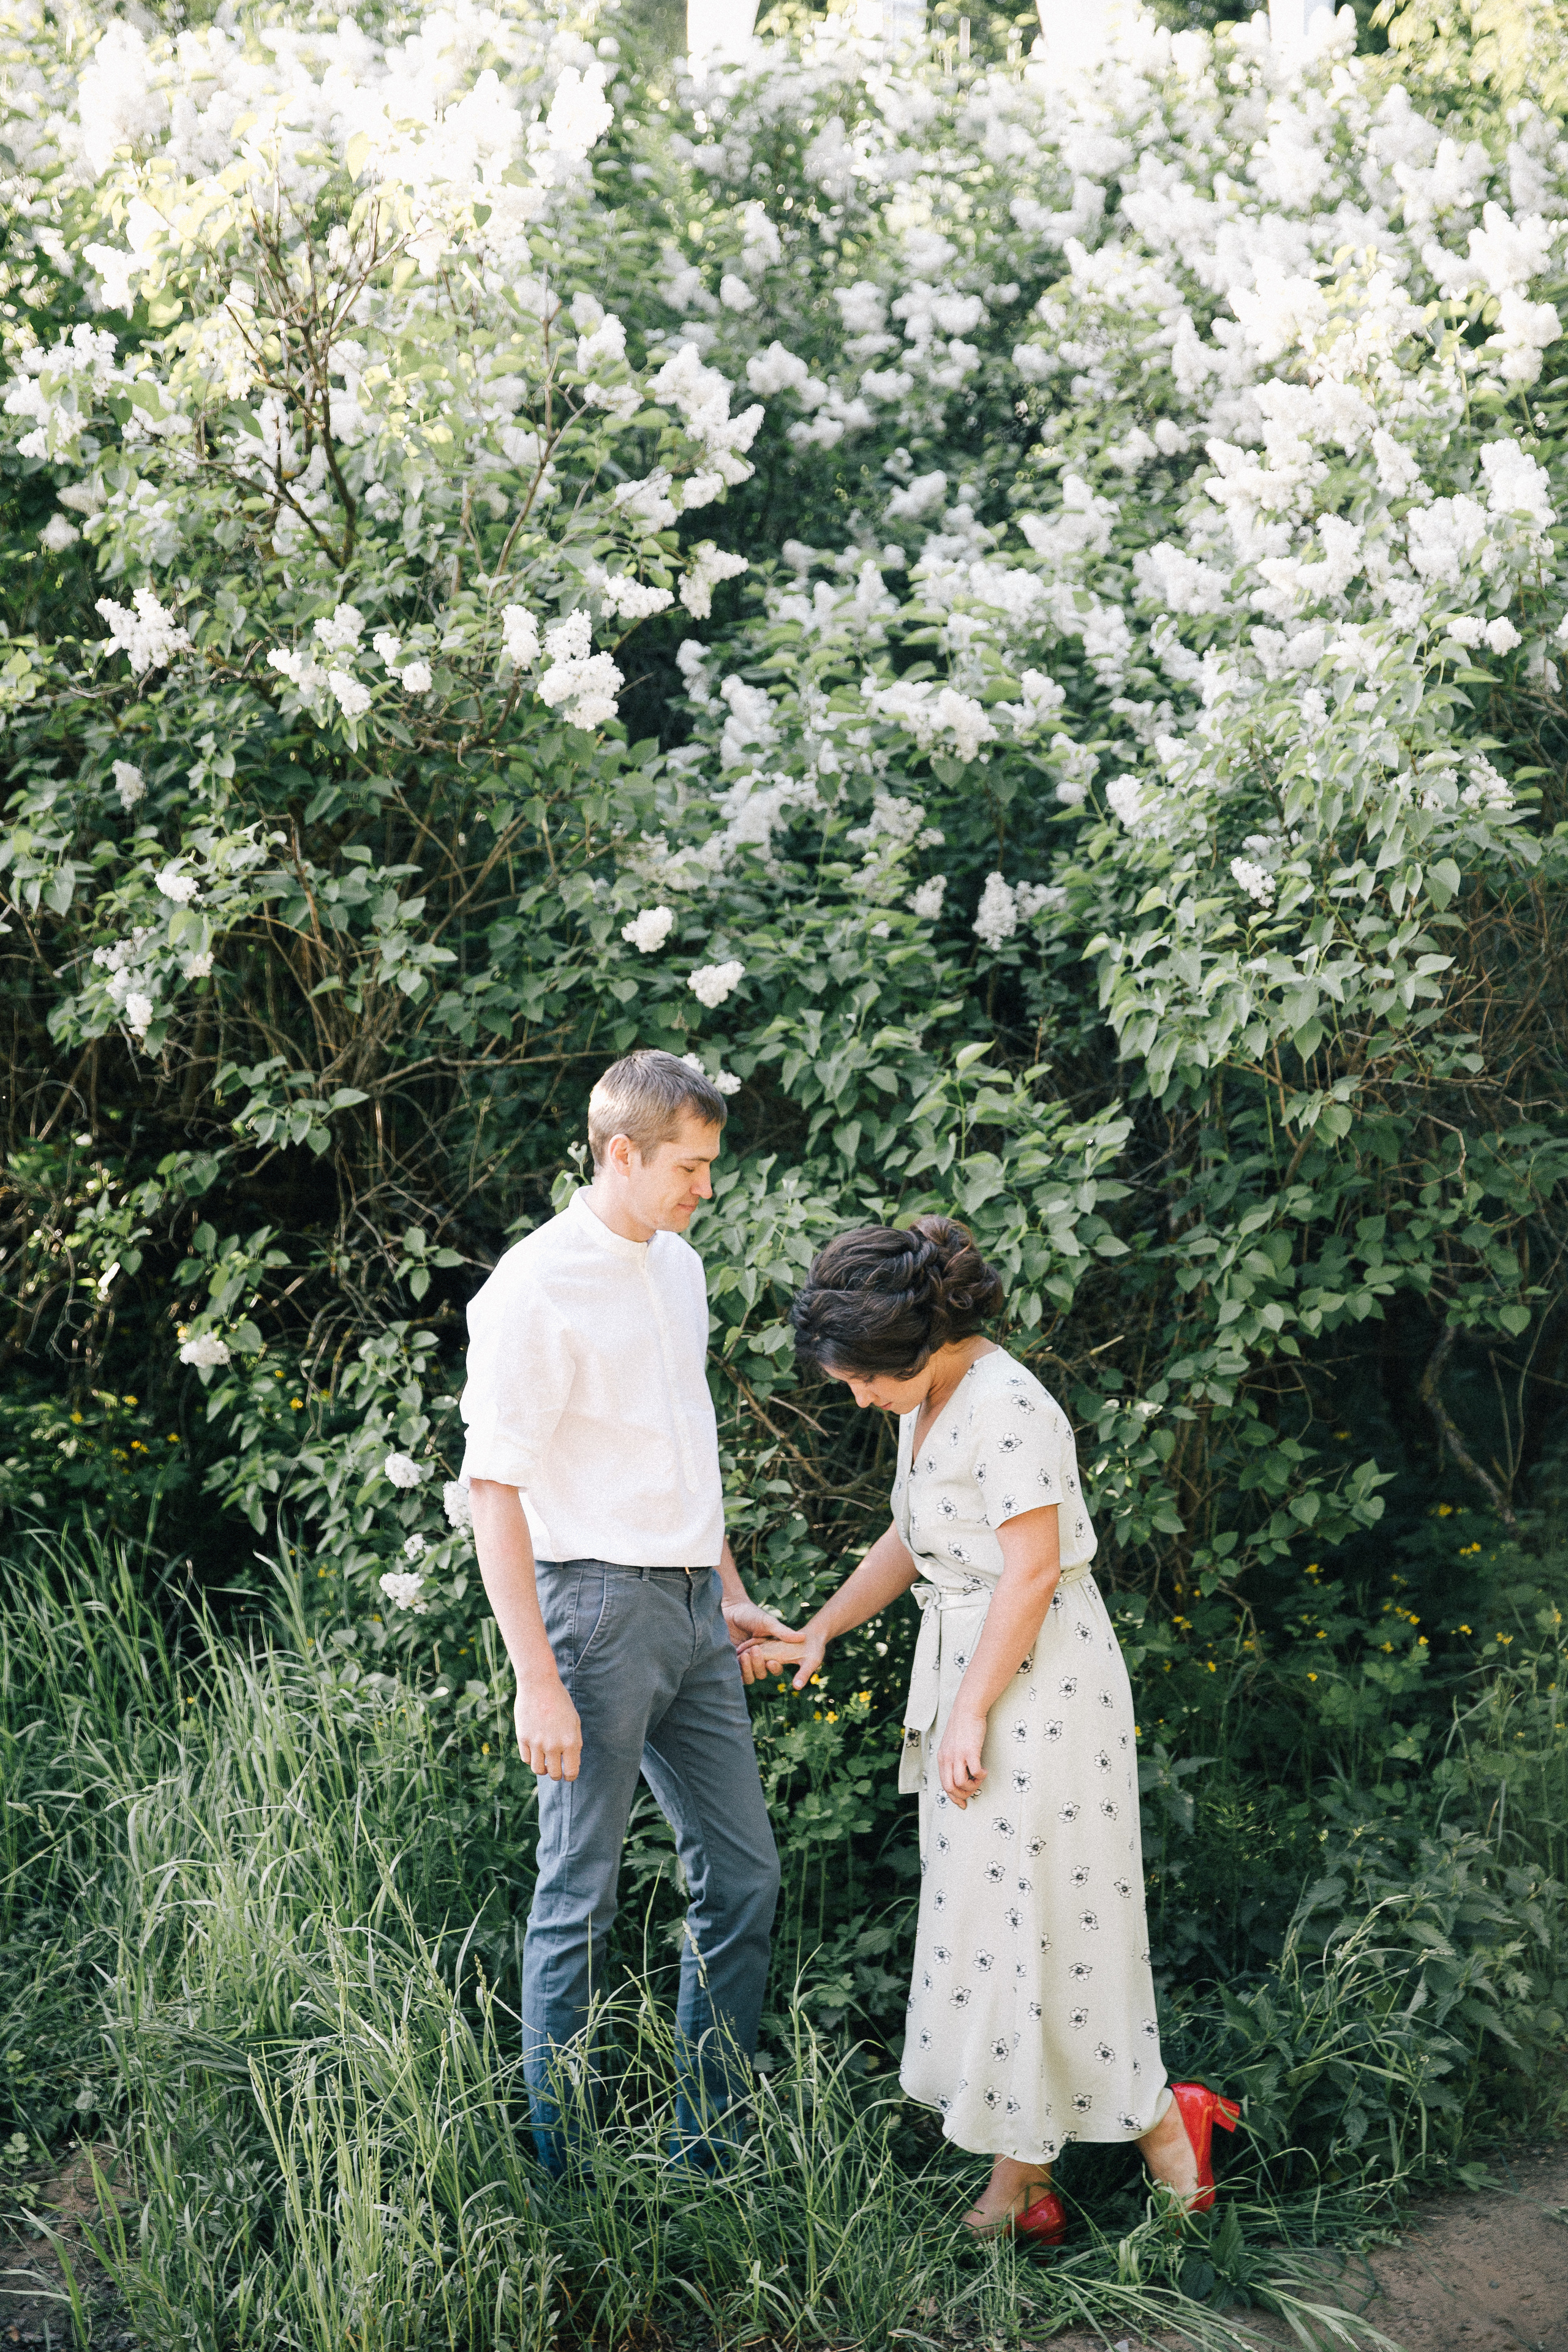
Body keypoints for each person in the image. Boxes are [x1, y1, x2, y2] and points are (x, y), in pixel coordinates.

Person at [750, 1215, 1238, 2239]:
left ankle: (1154, 2133)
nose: (854, 1397)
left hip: (1040, 1686)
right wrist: (822, 1630)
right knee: (1002, 1931)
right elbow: (915, 1528)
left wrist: (969, 1708)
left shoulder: (1011, 1403)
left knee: (1047, 1918)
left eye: (858, 1380)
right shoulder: (924, 1400)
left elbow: (1031, 1569)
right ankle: (1032, 2181)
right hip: (975, 1675)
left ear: (914, 1348)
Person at [459, 1048, 793, 2170]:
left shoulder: (680, 1268)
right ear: (621, 1153)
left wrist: (730, 1594)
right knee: (579, 1897)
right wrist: (535, 1681)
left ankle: (708, 2146)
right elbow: (491, 1491)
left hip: (696, 1610)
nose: (706, 1186)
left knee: (744, 1875)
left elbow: (685, 1451)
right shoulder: (534, 1288)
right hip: (594, 1616)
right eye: (690, 1167)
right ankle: (564, 2177)